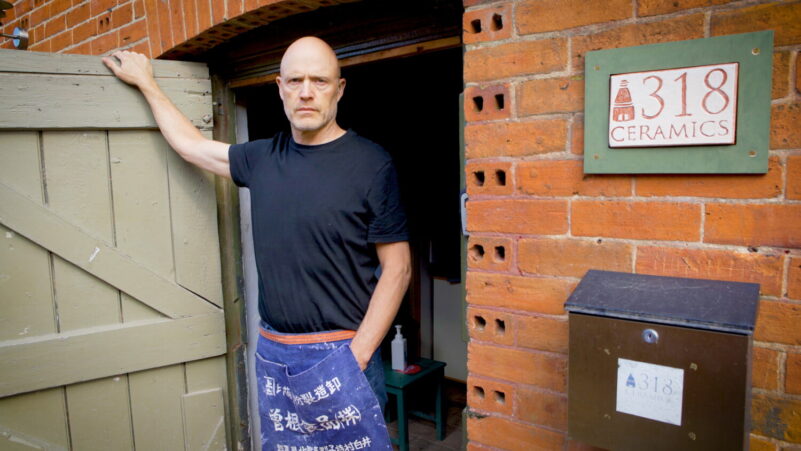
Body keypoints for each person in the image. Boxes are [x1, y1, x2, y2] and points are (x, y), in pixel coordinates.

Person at [103, 37, 411, 448]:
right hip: (275, 352)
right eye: (295, 80)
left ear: (339, 89)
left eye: (319, 81)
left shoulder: (372, 164)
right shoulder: (261, 159)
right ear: (279, 87)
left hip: (344, 352)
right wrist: (147, 83)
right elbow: (191, 146)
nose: (306, 92)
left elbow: (398, 268)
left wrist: (357, 356)